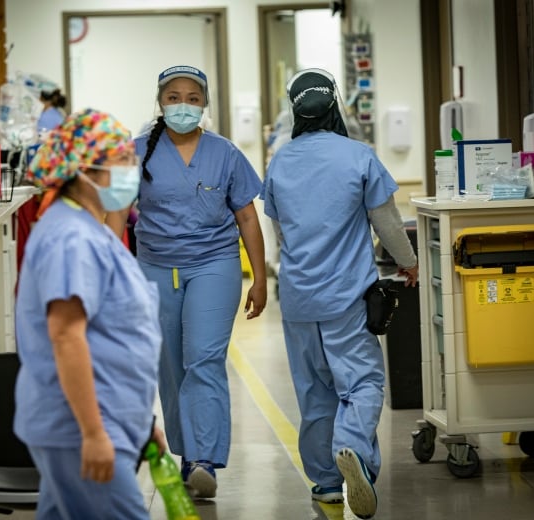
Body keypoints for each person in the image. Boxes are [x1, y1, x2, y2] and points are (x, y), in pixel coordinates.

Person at [262, 68, 418, 520]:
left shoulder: (280, 161)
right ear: (335, 106)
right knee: (364, 382)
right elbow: (386, 221)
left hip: (297, 298)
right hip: (346, 297)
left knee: (314, 396)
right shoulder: (358, 156)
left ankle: (327, 490)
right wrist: (407, 261)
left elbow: (280, 231)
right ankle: (350, 449)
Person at [14, 108, 166, 519]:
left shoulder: (90, 228)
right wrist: (95, 433)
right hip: (80, 427)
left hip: (104, 417)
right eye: (123, 161)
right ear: (86, 169)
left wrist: (139, 421)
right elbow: (67, 337)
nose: (133, 169)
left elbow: (112, 334)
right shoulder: (71, 238)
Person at [134, 65, 268, 499]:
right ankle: (187, 449)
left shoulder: (225, 153)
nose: (183, 106)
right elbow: (113, 214)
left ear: (205, 104)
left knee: (203, 359)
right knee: (171, 366)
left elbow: (247, 216)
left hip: (214, 265)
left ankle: (202, 458)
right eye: (174, 97)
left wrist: (261, 277)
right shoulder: (135, 152)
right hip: (155, 268)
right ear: (160, 102)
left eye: (193, 98)